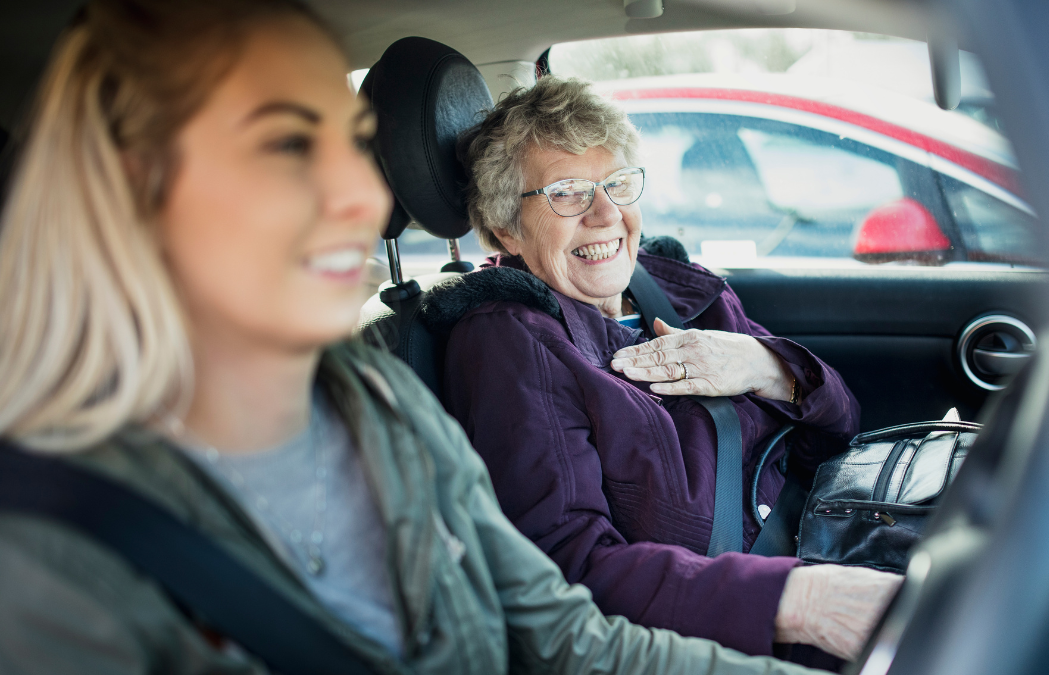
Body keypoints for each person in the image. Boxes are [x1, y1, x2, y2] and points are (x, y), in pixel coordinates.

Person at [0, 2, 826, 673]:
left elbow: (571, 636)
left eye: (351, 148)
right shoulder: (48, 557)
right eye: (288, 145)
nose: (361, 197)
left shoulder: (377, 400)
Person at [436, 76, 903, 665]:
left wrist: (763, 366)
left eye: (616, 184)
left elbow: (840, 426)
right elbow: (569, 572)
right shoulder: (511, 342)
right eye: (567, 192)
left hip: (829, 540)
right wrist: (802, 600)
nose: (605, 214)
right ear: (508, 229)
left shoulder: (675, 287)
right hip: (734, 629)